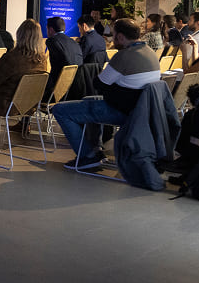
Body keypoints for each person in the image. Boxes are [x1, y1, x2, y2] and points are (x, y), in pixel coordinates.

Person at [52, 18, 161, 170]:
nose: (111, 38)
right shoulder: (150, 52)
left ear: (120, 37)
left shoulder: (124, 56)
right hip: (141, 110)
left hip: (122, 111)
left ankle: (86, 156)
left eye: (113, 34)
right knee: (88, 99)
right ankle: (96, 149)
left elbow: (99, 83)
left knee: (59, 110)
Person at [0, 19, 48, 124]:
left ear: (20, 35)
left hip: (5, 105)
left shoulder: (12, 58)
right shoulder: (42, 60)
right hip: (30, 105)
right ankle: (24, 125)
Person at [45, 16, 83, 99]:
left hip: (57, 90)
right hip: (75, 87)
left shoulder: (52, 41)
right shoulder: (73, 42)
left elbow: (55, 67)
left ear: (50, 29)